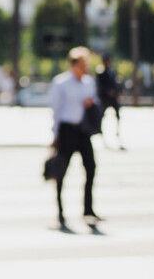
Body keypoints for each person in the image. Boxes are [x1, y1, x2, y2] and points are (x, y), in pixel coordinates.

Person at [49, 46, 101, 227]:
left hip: (83, 130)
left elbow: (94, 102)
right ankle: (60, 212)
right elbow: (55, 110)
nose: (84, 68)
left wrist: (90, 104)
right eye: (81, 64)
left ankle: (88, 209)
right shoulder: (61, 83)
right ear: (73, 65)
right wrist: (54, 134)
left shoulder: (89, 82)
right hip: (67, 130)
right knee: (61, 171)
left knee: (91, 168)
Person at [96, 52, 123, 141]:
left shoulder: (112, 71)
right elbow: (100, 85)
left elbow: (116, 83)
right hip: (105, 98)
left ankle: (117, 130)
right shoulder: (100, 72)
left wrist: (117, 92)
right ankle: (99, 129)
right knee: (101, 115)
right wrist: (107, 91)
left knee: (117, 115)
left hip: (113, 97)